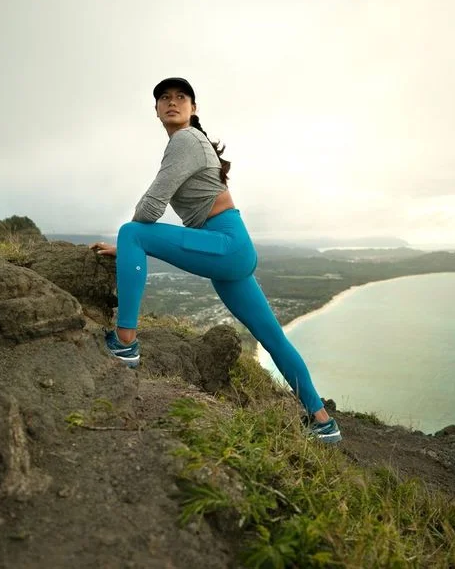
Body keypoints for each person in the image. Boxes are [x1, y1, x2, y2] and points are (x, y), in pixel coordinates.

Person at [91, 77, 341, 443]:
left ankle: (125, 342)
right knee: (272, 338)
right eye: (164, 98)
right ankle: (322, 422)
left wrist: (132, 241)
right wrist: (131, 251)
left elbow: (150, 207)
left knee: (131, 230)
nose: (171, 102)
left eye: (181, 97)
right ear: (157, 110)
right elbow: (166, 225)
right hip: (230, 245)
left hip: (225, 242)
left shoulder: (186, 140)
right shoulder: (190, 143)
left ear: (193, 110)